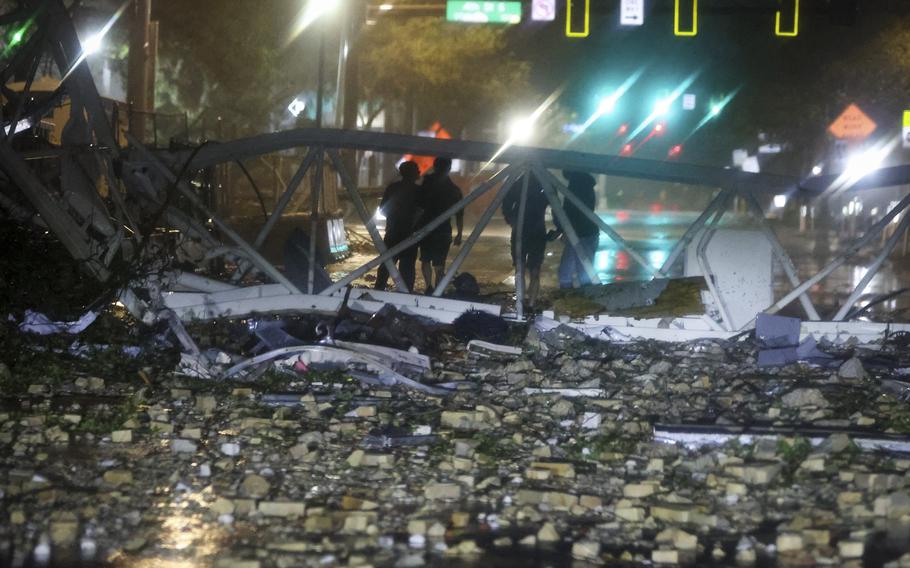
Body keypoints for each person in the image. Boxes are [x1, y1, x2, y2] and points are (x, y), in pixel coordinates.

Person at [416, 157, 463, 293]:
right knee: (439, 263)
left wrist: (414, 226)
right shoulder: (453, 189)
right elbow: (459, 213)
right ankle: (437, 290)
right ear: (448, 168)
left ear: (434, 167)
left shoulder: (426, 184)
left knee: (425, 259)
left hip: (426, 228)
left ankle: (428, 287)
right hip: (443, 230)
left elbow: (419, 207)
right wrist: (459, 233)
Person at [502, 172, 549, 307]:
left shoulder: (519, 183)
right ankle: (530, 305)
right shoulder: (544, 183)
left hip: (522, 231)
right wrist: (558, 228)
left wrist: (511, 220)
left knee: (520, 269)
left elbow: (506, 203)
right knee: (534, 271)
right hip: (537, 230)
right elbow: (554, 204)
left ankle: (521, 305)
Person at [374, 161, 421, 292]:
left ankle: (378, 290)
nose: (420, 172)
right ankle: (406, 294)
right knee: (407, 268)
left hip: (392, 233)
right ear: (413, 173)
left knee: (386, 265)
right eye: (417, 170)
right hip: (410, 236)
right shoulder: (418, 191)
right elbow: (423, 212)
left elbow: (383, 210)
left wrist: (395, 216)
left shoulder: (392, 188)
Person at [553, 170, 599, 288]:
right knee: (579, 273)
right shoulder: (584, 184)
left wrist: (561, 229)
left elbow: (570, 211)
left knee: (573, 274)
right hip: (584, 232)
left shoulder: (577, 184)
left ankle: (577, 300)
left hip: (580, 233)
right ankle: (579, 299)